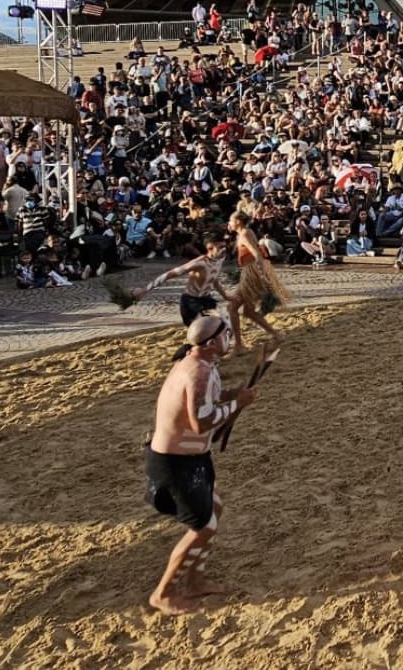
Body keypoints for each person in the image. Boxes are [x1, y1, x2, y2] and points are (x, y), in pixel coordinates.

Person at [144, 314, 256, 616]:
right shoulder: (197, 372)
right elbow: (200, 422)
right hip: (175, 463)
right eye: (225, 333)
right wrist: (238, 404)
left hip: (191, 461)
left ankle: (194, 580)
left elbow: (211, 399)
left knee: (214, 510)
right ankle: (163, 593)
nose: (229, 337)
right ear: (210, 343)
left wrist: (235, 394)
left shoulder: (203, 365)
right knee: (203, 527)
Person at [138, 235, 241, 336]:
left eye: (224, 247)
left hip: (205, 300)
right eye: (220, 247)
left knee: (224, 327)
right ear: (210, 248)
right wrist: (146, 289)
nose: (223, 250)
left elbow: (214, 280)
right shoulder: (199, 263)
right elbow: (169, 274)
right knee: (206, 331)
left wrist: (225, 296)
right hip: (191, 303)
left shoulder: (220, 260)